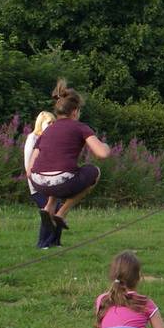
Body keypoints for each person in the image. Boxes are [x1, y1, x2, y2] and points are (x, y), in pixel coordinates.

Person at [29, 80, 111, 229]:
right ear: (75, 111)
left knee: (60, 170)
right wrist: (106, 146)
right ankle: (62, 212)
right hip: (62, 181)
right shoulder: (80, 127)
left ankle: (48, 207)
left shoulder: (47, 131)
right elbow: (102, 154)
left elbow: (29, 169)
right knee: (94, 172)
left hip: (37, 181)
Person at [24, 111, 65, 249]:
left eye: (54, 123)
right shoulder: (33, 138)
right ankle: (42, 243)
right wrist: (35, 180)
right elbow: (29, 162)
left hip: (51, 182)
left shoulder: (52, 138)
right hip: (37, 184)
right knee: (47, 211)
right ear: (40, 124)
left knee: (58, 209)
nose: (52, 125)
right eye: (49, 123)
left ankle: (55, 241)